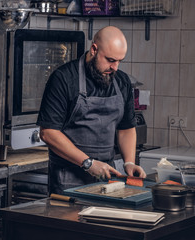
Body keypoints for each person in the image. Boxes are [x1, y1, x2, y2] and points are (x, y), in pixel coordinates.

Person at [36, 26, 146, 194]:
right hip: (68, 181)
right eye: (110, 60)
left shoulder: (122, 82)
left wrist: (129, 163)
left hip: (108, 179)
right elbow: (48, 132)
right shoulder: (64, 79)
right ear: (94, 49)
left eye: (119, 61)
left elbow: (126, 129)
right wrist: (88, 163)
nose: (115, 67)